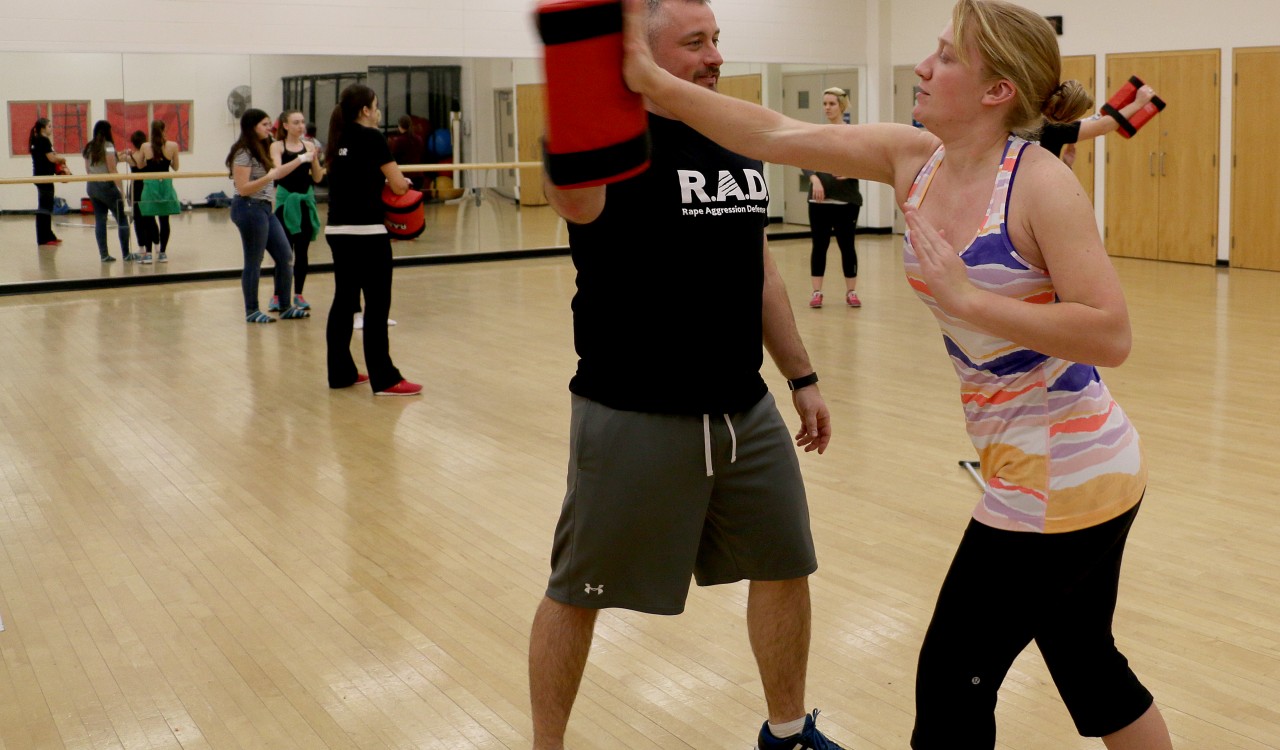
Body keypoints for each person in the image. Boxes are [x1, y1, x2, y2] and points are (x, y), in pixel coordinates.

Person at [619, 0, 1175, 748]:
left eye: (945, 56)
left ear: (995, 91)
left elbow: (1110, 333)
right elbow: (774, 134)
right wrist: (651, 79)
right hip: (1054, 466)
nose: (922, 65)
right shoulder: (914, 157)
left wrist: (969, 298)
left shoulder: (1039, 184)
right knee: (1087, 664)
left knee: (950, 686)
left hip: (1061, 477)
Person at [528, 2, 841, 749]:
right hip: (633, 412)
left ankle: (788, 731)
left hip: (744, 407)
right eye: (695, 42)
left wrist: (801, 375)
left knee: (785, 564)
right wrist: (583, 64)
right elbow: (572, 196)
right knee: (578, 593)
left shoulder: (734, 136)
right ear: (641, 51)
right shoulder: (608, 142)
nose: (713, 56)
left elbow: (757, 264)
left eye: (716, 40)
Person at [323, 84, 421, 396]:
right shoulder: (372, 137)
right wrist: (401, 183)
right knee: (377, 305)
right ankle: (386, 378)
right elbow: (398, 185)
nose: (378, 112)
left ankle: (341, 373)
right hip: (367, 232)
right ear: (365, 110)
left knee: (344, 301)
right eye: (376, 106)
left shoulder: (338, 139)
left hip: (337, 231)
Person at [225, 108, 311, 323]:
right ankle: (252, 310)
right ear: (252, 126)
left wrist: (301, 160)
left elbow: (278, 172)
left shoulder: (265, 146)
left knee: (284, 256)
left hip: (264, 208)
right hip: (248, 207)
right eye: (264, 124)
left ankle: (285, 306)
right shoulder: (243, 151)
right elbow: (243, 188)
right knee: (254, 261)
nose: (268, 127)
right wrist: (269, 178)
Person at [803, 87, 863, 309]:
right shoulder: (817, 132)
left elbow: (866, 163)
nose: (827, 108)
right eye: (825, 104)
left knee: (847, 246)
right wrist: (814, 179)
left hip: (846, 202)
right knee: (820, 246)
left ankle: (851, 291)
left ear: (841, 106)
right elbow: (804, 159)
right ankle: (817, 292)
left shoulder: (854, 134)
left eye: (832, 104)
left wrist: (851, 172)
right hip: (819, 203)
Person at [270, 109, 324, 312]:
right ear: (285, 125)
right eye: (295, 122)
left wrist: (314, 159)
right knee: (284, 254)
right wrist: (301, 159)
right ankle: (277, 295)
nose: (301, 126)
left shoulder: (309, 145)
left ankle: (299, 294)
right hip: (285, 205)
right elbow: (278, 173)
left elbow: (317, 178)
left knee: (302, 252)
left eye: (302, 122)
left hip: (304, 203)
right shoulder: (277, 146)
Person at [1040, 83, 1158, 168]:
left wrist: (1066, 165)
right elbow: (1103, 126)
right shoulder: (1055, 128)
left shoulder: (1036, 120)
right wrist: (1138, 103)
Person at [81, 120, 130, 263]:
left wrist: (118, 157)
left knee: (100, 220)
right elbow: (112, 169)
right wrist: (121, 190)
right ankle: (126, 254)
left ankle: (104, 255)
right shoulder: (108, 146)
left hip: (92, 186)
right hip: (106, 186)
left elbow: (88, 169)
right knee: (122, 219)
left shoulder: (89, 147)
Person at [135, 119, 182, 263]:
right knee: (164, 220)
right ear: (164, 129)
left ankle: (148, 254)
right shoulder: (173, 146)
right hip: (165, 184)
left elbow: (140, 165)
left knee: (148, 219)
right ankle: (162, 253)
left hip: (149, 184)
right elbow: (175, 167)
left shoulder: (145, 146)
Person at [30, 118, 66, 247]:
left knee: (46, 206)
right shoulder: (43, 140)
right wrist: (61, 160)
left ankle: (49, 235)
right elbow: (51, 158)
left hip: (43, 177)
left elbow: (50, 155)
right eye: (49, 126)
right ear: (43, 128)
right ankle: (44, 238)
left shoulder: (38, 140)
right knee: (45, 208)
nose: (51, 128)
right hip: (43, 177)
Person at [124, 130, 155, 262]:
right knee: (150, 218)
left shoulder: (133, 156)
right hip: (148, 187)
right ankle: (155, 248)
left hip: (136, 188)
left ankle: (142, 248)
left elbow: (119, 157)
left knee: (138, 219)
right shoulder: (149, 156)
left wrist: (126, 153)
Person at [391, 114, 425, 190]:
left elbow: (394, 158)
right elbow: (421, 154)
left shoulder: (399, 141)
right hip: (418, 175)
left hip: (405, 176)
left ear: (400, 126)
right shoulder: (419, 139)